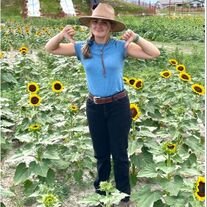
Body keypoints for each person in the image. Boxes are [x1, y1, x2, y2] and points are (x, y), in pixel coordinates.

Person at [45, 3, 160, 207]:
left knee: (120, 153)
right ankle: (102, 194)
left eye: (104, 22)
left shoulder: (120, 47)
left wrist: (138, 38)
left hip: (118, 106)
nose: (99, 25)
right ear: (90, 24)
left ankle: (123, 197)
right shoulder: (82, 48)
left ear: (110, 26)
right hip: (94, 106)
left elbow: (154, 53)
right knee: (101, 154)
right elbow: (50, 48)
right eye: (95, 21)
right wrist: (62, 33)